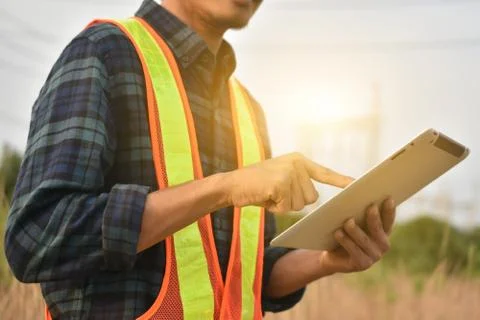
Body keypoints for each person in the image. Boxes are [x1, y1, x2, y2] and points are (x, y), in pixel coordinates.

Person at [4, 0, 396, 319]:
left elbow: (250, 274)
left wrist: (327, 259)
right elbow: (35, 238)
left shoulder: (247, 109)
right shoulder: (104, 53)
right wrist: (224, 188)